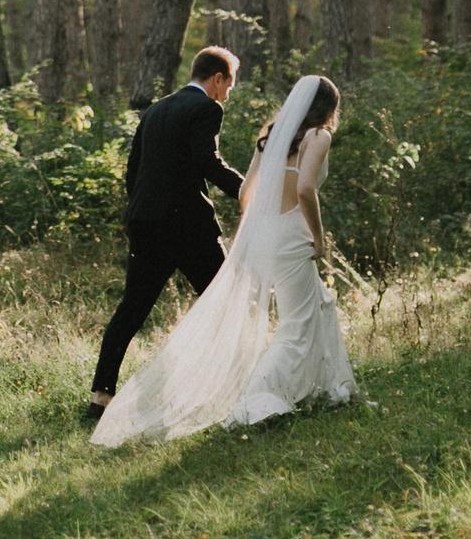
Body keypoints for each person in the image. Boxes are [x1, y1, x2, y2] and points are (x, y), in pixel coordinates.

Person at [90, 74, 358, 445]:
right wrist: (318, 236)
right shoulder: (319, 137)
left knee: (319, 306)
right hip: (294, 235)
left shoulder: (271, 134)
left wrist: (254, 232)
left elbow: (247, 190)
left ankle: (324, 388)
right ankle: (256, 399)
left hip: (266, 235)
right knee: (296, 323)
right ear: (328, 108)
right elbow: (306, 188)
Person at [85, 46, 247, 424]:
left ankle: (100, 399)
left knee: (130, 311)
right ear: (217, 79)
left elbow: (133, 171)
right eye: (229, 85)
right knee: (224, 301)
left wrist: (145, 211)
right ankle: (235, 387)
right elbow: (206, 160)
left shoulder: (154, 110)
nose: (228, 94)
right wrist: (246, 190)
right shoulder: (208, 108)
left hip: (145, 223)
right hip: (188, 229)